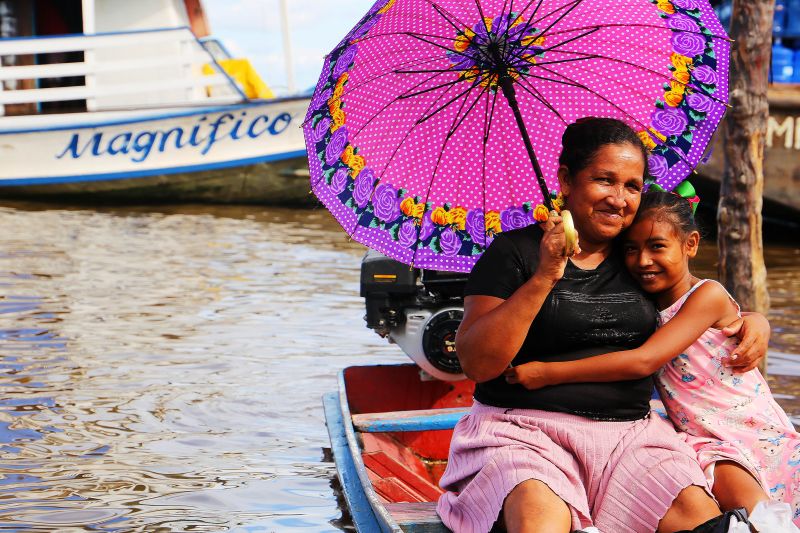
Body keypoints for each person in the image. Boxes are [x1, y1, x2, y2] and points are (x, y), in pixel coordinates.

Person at [435, 117, 771, 533]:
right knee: (541, 516)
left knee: (700, 516)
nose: (619, 199)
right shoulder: (515, 253)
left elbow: (696, 302)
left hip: (630, 435)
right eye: (604, 180)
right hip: (520, 432)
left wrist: (754, 321)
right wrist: (545, 275)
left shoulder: (638, 257)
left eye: (632, 186)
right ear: (565, 180)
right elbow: (477, 363)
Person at [505, 189, 800, 525]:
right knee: (749, 513)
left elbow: (643, 361)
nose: (642, 260)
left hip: (749, 430)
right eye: (630, 249)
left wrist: (548, 373)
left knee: (767, 519)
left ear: (690, 245)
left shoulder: (708, 294)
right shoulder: (643, 304)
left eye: (657, 246)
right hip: (703, 441)